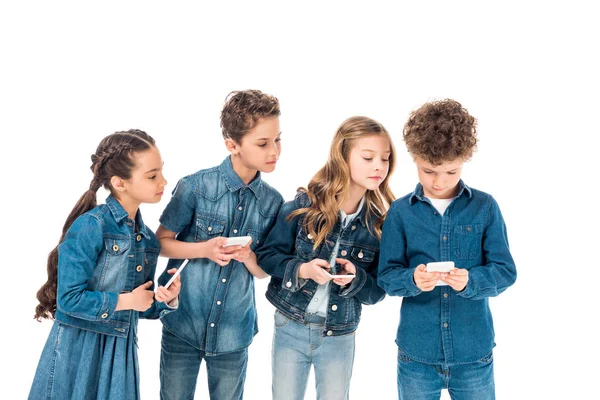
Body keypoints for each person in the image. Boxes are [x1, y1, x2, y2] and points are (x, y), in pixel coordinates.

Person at [377, 99, 517, 400]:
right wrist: (413, 279)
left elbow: (505, 271)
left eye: (450, 173)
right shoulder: (400, 212)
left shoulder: (485, 207)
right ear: (414, 158)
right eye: (428, 171)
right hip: (416, 355)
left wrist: (472, 282)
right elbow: (386, 276)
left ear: (464, 159)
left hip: (473, 355)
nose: (439, 181)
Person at [29, 129, 181, 400]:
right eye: (152, 175)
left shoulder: (148, 240)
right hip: (78, 349)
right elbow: (69, 300)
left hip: (120, 352)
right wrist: (127, 301)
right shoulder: (91, 226)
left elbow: (140, 307)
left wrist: (165, 300)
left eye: (161, 172)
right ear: (119, 182)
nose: (163, 181)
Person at [156, 90, 284, 400]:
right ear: (232, 145)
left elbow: (262, 272)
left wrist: (249, 257)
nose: (275, 151)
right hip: (182, 324)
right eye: (263, 143)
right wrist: (204, 249)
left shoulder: (274, 202)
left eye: (278, 139)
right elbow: (161, 243)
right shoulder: (195, 187)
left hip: (233, 332)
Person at [257, 116, 396, 400]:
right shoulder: (304, 206)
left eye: (385, 158)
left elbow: (377, 292)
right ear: (343, 157)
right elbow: (267, 256)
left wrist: (357, 280)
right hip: (290, 325)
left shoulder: (379, 226)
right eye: (368, 157)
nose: (379, 166)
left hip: (340, 335)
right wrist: (302, 269)